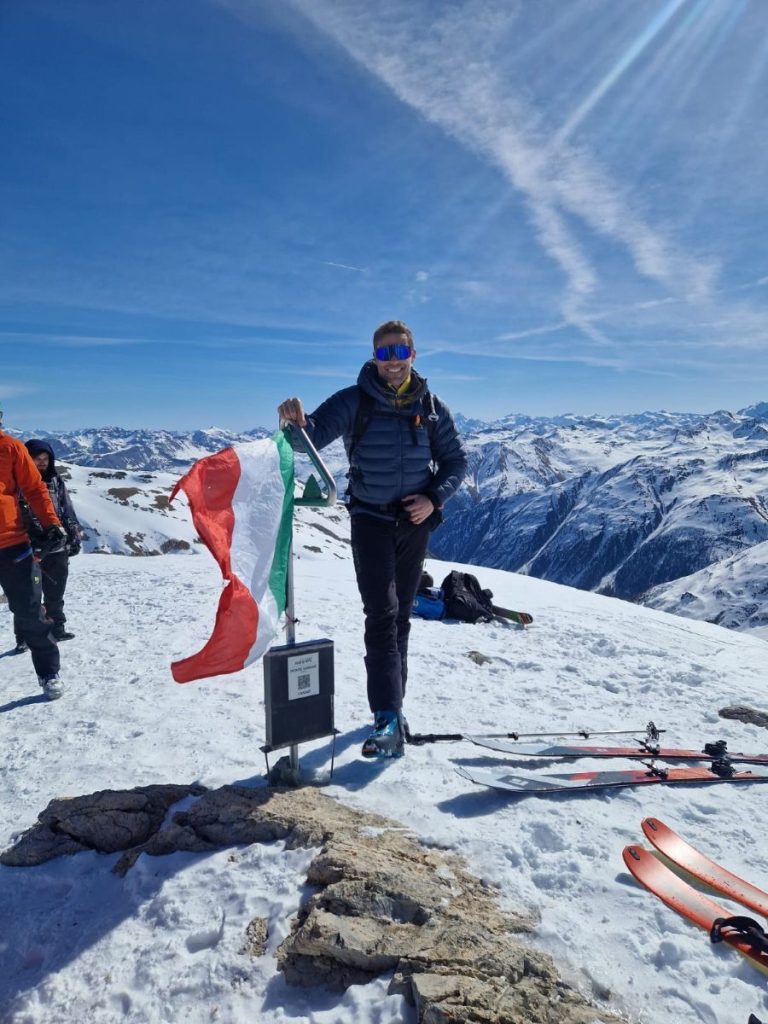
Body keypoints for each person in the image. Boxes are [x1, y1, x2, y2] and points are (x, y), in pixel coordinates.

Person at [278, 320, 467, 759]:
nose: (392, 361)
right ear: (373, 357)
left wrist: (433, 499)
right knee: (381, 613)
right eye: (383, 354)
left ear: (413, 355)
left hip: (415, 523)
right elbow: (312, 434)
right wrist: (295, 419)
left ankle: (393, 710)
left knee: (400, 615)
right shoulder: (354, 400)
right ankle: (385, 716)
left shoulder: (433, 407)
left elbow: (456, 462)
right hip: (369, 521)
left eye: (399, 352)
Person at [0, 406, 67, 699]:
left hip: (12, 544)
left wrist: (51, 522)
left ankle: (48, 673)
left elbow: (35, 488)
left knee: (31, 614)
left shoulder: (11, 448)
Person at [15, 439, 82, 649]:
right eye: (37, 459)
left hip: (57, 546)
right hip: (29, 547)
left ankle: (57, 628)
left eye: (45, 459)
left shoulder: (55, 481)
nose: (42, 463)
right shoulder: (17, 483)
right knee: (27, 597)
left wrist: (73, 534)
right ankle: (24, 638)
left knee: (55, 592)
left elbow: (66, 508)